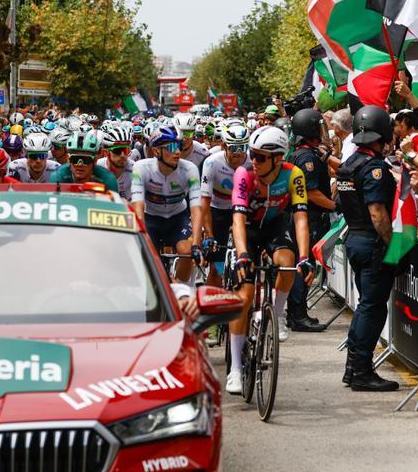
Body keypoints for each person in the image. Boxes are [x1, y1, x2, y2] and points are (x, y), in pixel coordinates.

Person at [227, 125, 315, 394]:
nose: (253, 160)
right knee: (245, 295)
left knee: (287, 262)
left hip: (276, 227)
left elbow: (300, 218)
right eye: (252, 154)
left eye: (261, 156)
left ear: (278, 158)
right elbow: (238, 220)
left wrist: (304, 257)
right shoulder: (244, 174)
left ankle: (275, 317)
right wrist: (242, 255)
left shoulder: (293, 174)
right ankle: (235, 370)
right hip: (248, 232)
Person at [333, 106, 400, 391]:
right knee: (372, 310)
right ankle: (361, 371)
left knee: (364, 308)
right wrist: (393, 246)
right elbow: (378, 214)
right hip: (372, 243)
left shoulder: (348, 164)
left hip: (354, 240)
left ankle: (353, 368)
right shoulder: (374, 169)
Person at [130, 126, 203, 284]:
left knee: (186, 250)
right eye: (171, 147)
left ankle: (180, 288)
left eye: (178, 146)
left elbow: (197, 208)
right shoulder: (141, 168)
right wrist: (142, 238)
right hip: (151, 218)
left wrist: (196, 245)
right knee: (149, 259)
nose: (177, 152)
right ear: (156, 151)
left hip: (178, 216)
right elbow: (138, 207)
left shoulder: (189, 169)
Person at [284, 109, 333, 333]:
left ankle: (297, 311)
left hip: (304, 217)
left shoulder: (303, 153)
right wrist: (335, 206)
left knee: (302, 264)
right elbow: (311, 192)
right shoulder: (307, 158)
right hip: (307, 218)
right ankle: (298, 315)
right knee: (303, 266)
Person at [199, 123, 250, 290]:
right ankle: (213, 303)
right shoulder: (211, 163)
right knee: (215, 269)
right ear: (223, 146)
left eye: (243, 147)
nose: (239, 153)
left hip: (241, 210)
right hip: (217, 210)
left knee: (247, 265)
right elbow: (204, 202)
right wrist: (209, 234)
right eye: (234, 148)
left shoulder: (251, 162)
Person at [50, 131, 119, 191]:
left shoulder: (107, 179)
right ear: (68, 160)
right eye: (75, 159)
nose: (80, 164)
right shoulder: (58, 176)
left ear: (94, 161)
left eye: (86, 160)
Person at [97, 127, 135, 200]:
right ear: (106, 152)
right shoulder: (98, 166)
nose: (123, 155)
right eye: (117, 151)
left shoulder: (135, 169)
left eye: (126, 150)